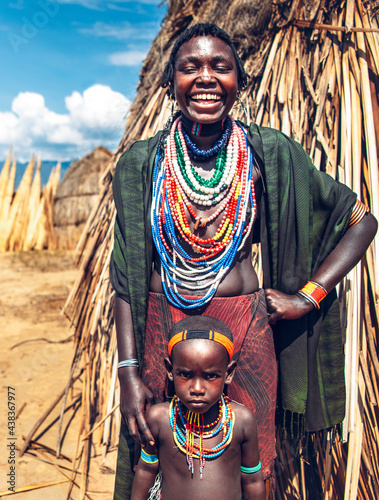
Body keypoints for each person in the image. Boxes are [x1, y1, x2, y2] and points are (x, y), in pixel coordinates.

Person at [110, 22, 377, 499]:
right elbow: (125, 278)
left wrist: (307, 298)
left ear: (241, 82)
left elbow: (360, 221)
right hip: (160, 328)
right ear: (169, 83)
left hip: (244, 334)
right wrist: (129, 370)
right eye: (190, 67)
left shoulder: (266, 154)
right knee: (153, 457)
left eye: (221, 66)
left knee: (251, 464)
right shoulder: (143, 163)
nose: (206, 77)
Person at [130, 316, 265, 500]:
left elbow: (253, 480)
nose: (197, 389)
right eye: (185, 374)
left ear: (229, 373)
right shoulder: (159, 419)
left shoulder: (241, 420)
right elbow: (146, 470)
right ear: (170, 370)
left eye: (210, 376)